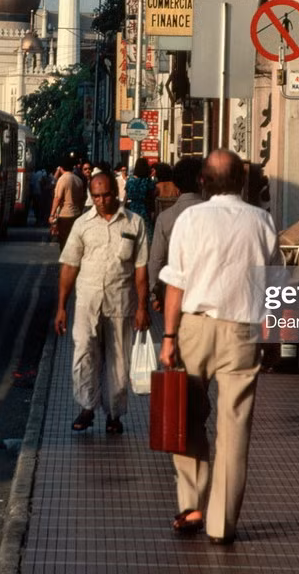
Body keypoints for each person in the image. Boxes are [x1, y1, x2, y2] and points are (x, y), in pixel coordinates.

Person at [158, 149, 280, 545]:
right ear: (242, 181)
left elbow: (175, 283)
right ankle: (221, 524)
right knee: (234, 428)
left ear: (203, 182)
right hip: (243, 331)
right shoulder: (262, 221)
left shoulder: (190, 219)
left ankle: (192, 503)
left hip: (195, 327)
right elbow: (275, 283)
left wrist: (169, 337)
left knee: (188, 416)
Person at [54, 172, 150, 435]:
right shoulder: (82, 225)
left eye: (106, 194)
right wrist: (61, 307)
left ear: (115, 193)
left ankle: (114, 414)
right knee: (84, 352)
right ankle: (87, 407)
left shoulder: (135, 223)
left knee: (119, 360)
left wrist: (143, 306)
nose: (101, 200)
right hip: (87, 301)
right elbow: (69, 266)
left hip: (121, 302)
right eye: (96, 196)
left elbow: (141, 269)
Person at [147, 156, 203, 311]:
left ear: (176, 184)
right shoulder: (217, 214)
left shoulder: (165, 218)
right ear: (202, 181)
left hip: (176, 293)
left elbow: (156, 260)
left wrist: (155, 293)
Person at [49, 163, 86, 250]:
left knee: (64, 241)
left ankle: (66, 261)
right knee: (74, 241)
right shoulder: (78, 180)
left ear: (61, 168)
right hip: (76, 214)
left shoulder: (63, 179)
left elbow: (58, 198)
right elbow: (81, 199)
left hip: (65, 215)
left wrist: (52, 214)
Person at [124, 157, 157, 241]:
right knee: (146, 233)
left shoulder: (130, 180)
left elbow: (126, 196)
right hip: (145, 208)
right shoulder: (148, 182)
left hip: (132, 208)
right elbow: (152, 197)